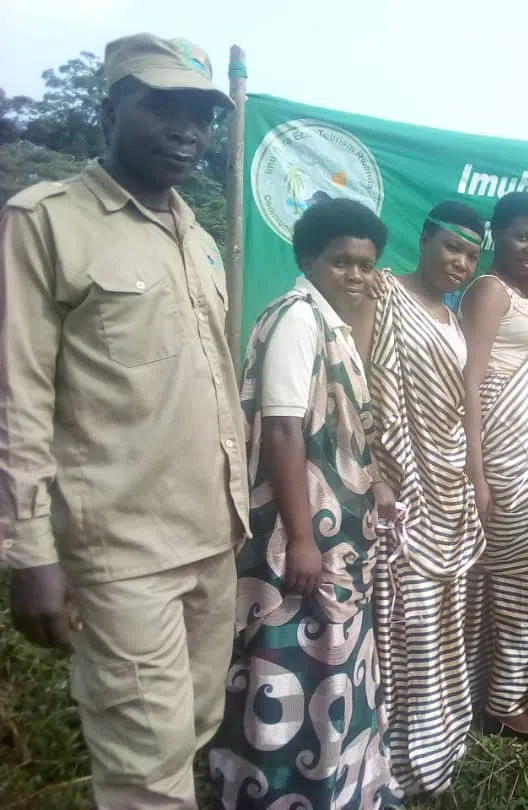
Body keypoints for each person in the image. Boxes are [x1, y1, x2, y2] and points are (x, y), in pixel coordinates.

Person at [0, 34, 247, 809]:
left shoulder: (199, 239)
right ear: (108, 110)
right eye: (161, 107)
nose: (186, 130)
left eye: (201, 116)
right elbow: (18, 394)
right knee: (145, 764)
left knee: (195, 729)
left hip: (212, 536)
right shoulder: (47, 223)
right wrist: (28, 550)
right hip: (121, 552)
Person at [207, 199, 401, 809]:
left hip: (335, 528)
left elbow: (343, 424)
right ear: (306, 260)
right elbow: (286, 430)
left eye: (366, 264)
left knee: (333, 664)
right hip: (300, 533)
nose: (355, 275)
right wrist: (301, 538)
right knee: (289, 661)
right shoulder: (297, 319)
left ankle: (336, 784)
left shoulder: (330, 323)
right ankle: (280, 791)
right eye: (340, 261)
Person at [353, 201, 486, 796]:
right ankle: (397, 756)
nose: (460, 263)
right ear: (426, 237)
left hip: (447, 486)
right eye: (452, 247)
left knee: (442, 620)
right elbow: (355, 383)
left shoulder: (455, 319)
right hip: (397, 489)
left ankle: (440, 742)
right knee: (403, 621)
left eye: (472, 256)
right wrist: (375, 474)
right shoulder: (382, 294)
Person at [458, 192, 528, 739]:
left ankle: (499, 688)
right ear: (493, 237)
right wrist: (476, 474)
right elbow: (470, 383)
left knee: (517, 577)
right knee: (521, 577)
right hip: (502, 456)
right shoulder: (489, 291)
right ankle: (502, 704)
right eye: (521, 236)